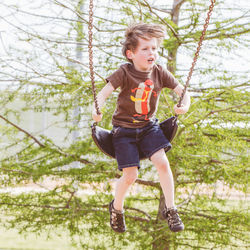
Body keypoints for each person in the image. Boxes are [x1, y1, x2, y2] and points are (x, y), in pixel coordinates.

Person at [92, 23, 190, 233]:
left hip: (149, 128)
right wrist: (97, 109)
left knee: (162, 163)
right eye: (145, 49)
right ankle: (117, 209)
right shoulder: (124, 73)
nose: (151, 53)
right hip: (123, 131)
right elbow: (103, 93)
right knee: (130, 176)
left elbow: (184, 92)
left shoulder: (159, 72)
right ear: (131, 54)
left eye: (154, 48)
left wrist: (183, 105)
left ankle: (171, 209)